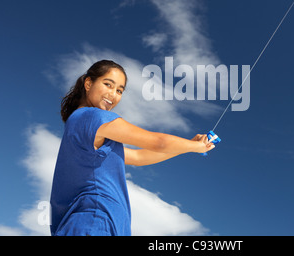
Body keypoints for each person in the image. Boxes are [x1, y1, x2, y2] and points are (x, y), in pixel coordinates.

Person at [50, 59, 214, 236]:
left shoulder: (84, 127)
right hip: (94, 223)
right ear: (88, 83)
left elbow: (139, 157)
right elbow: (157, 142)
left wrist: (188, 146)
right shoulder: (92, 117)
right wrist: (197, 146)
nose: (113, 94)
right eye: (108, 84)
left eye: (119, 90)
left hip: (103, 225)